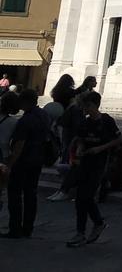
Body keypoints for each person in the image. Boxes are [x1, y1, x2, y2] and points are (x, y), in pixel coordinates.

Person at [66, 90, 121, 247]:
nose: (86, 109)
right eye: (85, 106)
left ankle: (92, 226)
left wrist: (100, 148)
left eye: (89, 106)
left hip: (100, 163)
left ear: (96, 105)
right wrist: (79, 149)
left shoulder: (106, 121)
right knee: (81, 197)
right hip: (85, 161)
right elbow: (81, 139)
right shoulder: (85, 122)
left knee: (87, 196)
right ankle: (84, 230)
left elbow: (118, 139)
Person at [3, 88, 50, 238]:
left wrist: (10, 164)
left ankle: (15, 228)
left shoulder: (25, 120)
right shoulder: (43, 115)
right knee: (31, 194)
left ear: (24, 102)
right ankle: (28, 227)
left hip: (24, 160)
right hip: (38, 158)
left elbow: (19, 145)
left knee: (15, 195)